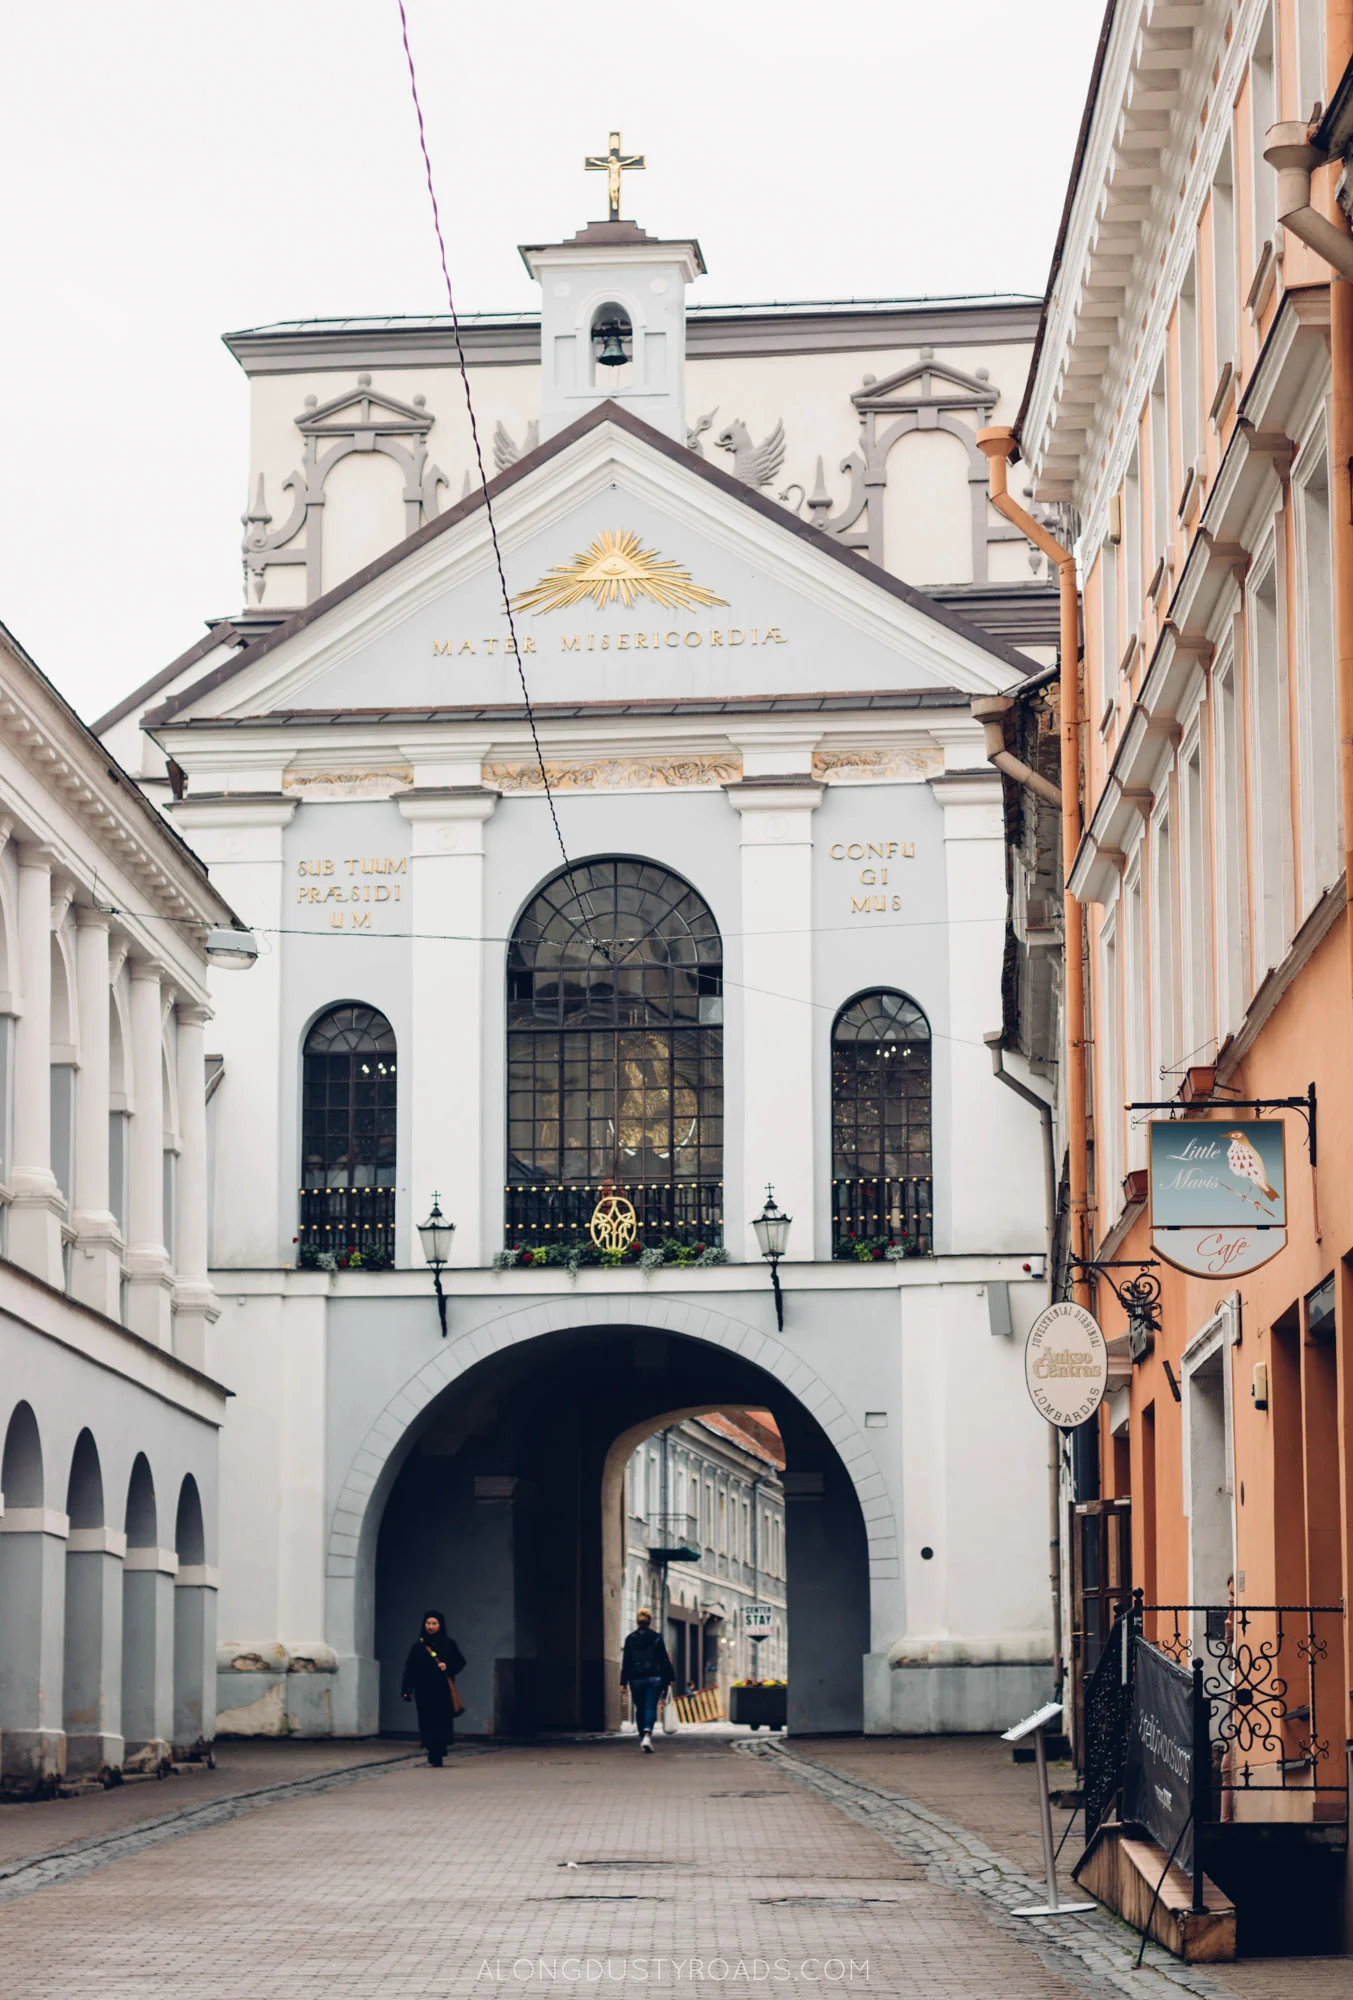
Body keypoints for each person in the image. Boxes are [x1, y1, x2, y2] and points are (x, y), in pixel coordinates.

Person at [401, 1609, 466, 1766]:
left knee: (441, 1720)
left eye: (434, 1623)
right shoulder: (418, 1646)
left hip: (442, 1689)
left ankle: (439, 1750)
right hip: (423, 1690)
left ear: (440, 1625)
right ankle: (431, 1748)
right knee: (426, 1720)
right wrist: (406, 1689)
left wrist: (447, 1666)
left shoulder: (448, 1644)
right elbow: (410, 1668)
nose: (430, 1626)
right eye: (428, 1623)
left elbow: (460, 1662)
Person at [619, 1606, 674, 1753]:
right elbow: (664, 1659)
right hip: (654, 1678)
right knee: (650, 1707)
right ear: (650, 1621)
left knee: (640, 1708)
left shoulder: (630, 1639)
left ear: (637, 1621)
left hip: (636, 1679)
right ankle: (647, 1735)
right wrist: (669, 1678)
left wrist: (623, 1682)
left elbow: (626, 1661)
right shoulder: (657, 1637)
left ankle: (642, 1735)